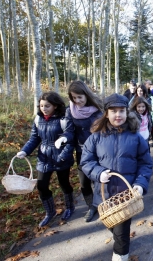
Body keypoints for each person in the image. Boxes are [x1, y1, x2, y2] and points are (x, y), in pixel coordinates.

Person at [80, 93, 153, 261]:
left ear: (127, 112)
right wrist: (98, 173)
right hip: (104, 195)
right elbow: (86, 161)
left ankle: (121, 255)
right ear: (106, 113)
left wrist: (141, 183)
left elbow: (145, 163)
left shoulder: (136, 138)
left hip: (126, 196)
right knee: (113, 225)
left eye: (121, 111)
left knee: (121, 233)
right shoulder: (96, 137)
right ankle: (122, 242)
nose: (118, 115)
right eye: (113, 111)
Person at [16, 91, 75, 227]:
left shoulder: (63, 119)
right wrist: (25, 151)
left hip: (60, 157)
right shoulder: (38, 119)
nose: (44, 109)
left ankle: (70, 207)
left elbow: (70, 140)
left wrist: (62, 157)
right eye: (41, 106)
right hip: (44, 157)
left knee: (64, 184)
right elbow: (34, 138)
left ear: (55, 106)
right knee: (42, 186)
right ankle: (50, 212)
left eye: (47, 106)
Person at [60, 80, 103, 222]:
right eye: (74, 97)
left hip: (99, 149)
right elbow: (69, 130)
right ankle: (91, 207)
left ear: (86, 94)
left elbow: (105, 127)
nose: (77, 101)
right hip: (82, 151)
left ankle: (103, 204)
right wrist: (65, 138)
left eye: (80, 97)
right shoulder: (70, 110)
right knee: (84, 182)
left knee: (100, 179)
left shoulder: (97, 107)